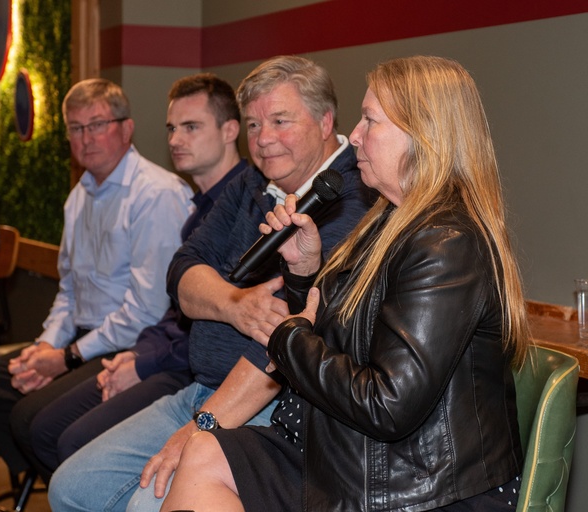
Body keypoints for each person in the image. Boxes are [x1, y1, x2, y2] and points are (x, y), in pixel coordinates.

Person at [161, 55, 530, 512]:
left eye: (370, 121)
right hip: (353, 448)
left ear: (423, 136)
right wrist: (304, 276)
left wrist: (285, 335)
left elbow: (387, 405)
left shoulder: (447, 243)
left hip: (415, 482)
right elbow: (345, 334)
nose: (354, 135)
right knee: (204, 451)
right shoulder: (389, 219)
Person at [48, 55, 376, 511]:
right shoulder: (254, 183)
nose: (263, 140)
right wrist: (234, 303)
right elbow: (182, 272)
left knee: (147, 504)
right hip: (200, 387)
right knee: (70, 489)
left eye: (280, 121)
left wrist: (203, 426)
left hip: (270, 410)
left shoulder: (354, 200)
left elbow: (278, 348)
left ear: (325, 122)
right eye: (254, 125)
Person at [0, 78, 192, 486]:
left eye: (97, 124)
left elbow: (146, 310)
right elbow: (69, 290)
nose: (86, 138)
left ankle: (66, 481)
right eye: (76, 128)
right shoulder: (78, 196)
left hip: (130, 346)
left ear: (126, 128)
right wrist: (48, 345)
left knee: (29, 418)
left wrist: (65, 359)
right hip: (79, 341)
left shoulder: (156, 193)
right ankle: (51, 477)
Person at [27, 73, 248, 480]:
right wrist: (133, 356)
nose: (176, 139)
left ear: (230, 129)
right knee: (37, 424)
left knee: (64, 437)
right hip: (161, 354)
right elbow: (173, 313)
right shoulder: (199, 210)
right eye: (171, 128)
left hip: (206, 377)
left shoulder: (243, 207)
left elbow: (217, 334)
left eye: (191, 127)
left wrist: (140, 364)